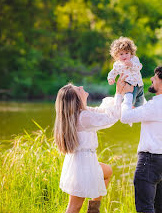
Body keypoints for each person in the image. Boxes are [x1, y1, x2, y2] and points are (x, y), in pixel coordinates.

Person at [54, 81, 126, 213]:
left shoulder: (82, 113)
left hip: (83, 162)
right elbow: (109, 119)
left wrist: (118, 95)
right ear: (75, 99)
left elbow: (102, 111)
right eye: (78, 89)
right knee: (74, 206)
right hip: (82, 165)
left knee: (107, 171)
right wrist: (119, 95)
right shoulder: (83, 117)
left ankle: (93, 210)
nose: (81, 87)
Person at [118, 66, 162, 213]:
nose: (152, 79)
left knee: (145, 208)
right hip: (161, 162)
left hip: (148, 162)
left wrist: (127, 95)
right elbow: (147, 111)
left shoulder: (156, 106)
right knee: (160, 208)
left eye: (155, 78)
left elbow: (125, 117)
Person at [107, 37, 145, 107]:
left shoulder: (134, 59)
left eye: (127, 53)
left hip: (139, 84)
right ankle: (127, 113)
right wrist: (111, 78)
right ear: (116, 55)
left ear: (131, 53)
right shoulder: (117, 64)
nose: (124, 56)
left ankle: (137, 113)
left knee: (140, 102)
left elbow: (139, 67)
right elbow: (113, 72)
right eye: (121, 54)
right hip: (129, 86)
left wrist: (132, 64)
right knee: (130, 102)